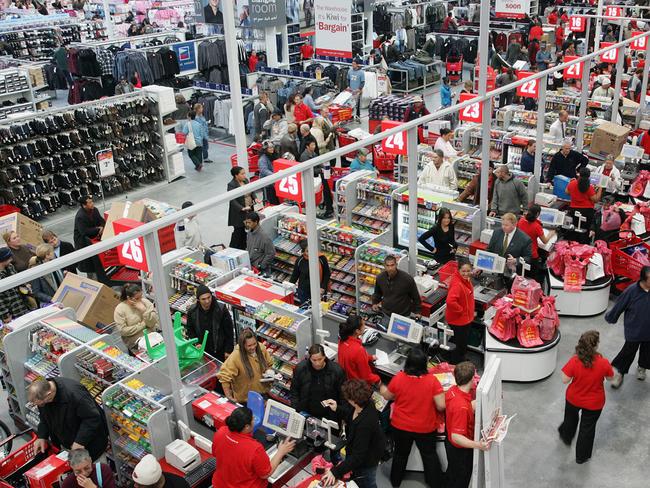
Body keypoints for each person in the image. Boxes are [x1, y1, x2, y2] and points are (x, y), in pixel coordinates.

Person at [379, 348, 445, 488]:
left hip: (400, 426)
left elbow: (387, 396)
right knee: (429, 455)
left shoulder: (399, 378)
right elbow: (441, 406)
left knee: (400, 455)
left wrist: (381, 387)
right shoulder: (432, 381)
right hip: (425, 427)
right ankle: (435, 483)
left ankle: (395, 482)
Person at [558, 330, 614, 464]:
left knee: (570, 419)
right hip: (594, 403)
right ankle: (581, 457)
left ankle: (566, 436)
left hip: (574, 398)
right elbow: (610, 378)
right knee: (587, 429)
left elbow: (565, 380)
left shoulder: (575, 360)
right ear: (596, 346)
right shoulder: (604, 363)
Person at [320, 379, 386, 488]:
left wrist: (335, 472)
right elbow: (351, 416)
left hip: (367, 460)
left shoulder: (365, 424)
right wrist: (337, 408)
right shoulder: (364, 404)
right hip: (361, 452)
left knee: (367, 483)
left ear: (354, 400)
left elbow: (358, 456)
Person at [212, 407, 295, 488]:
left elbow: (216, 454)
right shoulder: (254, 448)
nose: (254, 419)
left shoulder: (221, 431)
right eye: (252, 418)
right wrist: (281, 452)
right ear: (247, 426)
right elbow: (265, 474)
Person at [28, 378, 108, 461]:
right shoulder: (44, 395)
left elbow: (92, 418)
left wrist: (80, 441)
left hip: (91, 443)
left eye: (42, 404)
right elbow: (44, 416)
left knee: (95, 470)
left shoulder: (75, 394)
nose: (41, 406)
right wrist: (42, 436)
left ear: (49, 394)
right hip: (68, 441)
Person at [604, 265, 650, 387]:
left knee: (647, 351)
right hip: (634, 329)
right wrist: (611, 317)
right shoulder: (631, 291)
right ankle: (620, 373)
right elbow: (620, 305)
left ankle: (642, 367)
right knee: (628, 352)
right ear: (644, 279)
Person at [445, 361, 488, 488]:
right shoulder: (461, 407)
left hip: (450, 444)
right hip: (460, 450)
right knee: (461, 479)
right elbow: (457, 437)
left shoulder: (453, 390)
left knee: (452, 473)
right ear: (471, 379)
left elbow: (466, 406)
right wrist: (478, 445)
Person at [290, 344, 346, 421]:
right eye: (314, 360)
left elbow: (343, 395)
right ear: (309, 358)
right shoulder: (301, 369)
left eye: (320, 359)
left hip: (329, 415)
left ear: (324, 357)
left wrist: (341, 412)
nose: (317, 363)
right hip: (306, 413)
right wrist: (295, 410)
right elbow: (294, 390)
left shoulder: (336, 371)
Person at [217, 328, 273, 403]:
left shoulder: (261, 348)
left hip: (263, 394)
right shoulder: (236, 356)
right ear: (242, 345)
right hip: (246, 400)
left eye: (254, 344)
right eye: (249, 346)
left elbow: (269, 364)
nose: (253, 347)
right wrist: (229, 396)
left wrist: (269, 375)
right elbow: (224, 376)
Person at [185, 285, 234, 362]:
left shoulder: (221, 309)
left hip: (220, 351)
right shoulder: (192, 311)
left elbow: (229, 331)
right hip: (202, 351)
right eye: (203, 299)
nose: (207, 301)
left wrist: (228, 350)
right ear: (198, 300)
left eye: (209, 297)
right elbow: (190, 329)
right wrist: (196, 343)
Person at [114, 284, 159, 354]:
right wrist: (143, 324)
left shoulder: (146, 303)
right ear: (129, 298)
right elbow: (123, 331)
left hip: (152, 338)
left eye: (141, 296)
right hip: (134, 343)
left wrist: (144, 311)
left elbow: (152, 323)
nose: (140, 300)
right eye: (137, 298)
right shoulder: (120, 310)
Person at [446, 261, 476, 364]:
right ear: (458, 270)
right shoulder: (457, 284)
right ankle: (457, 364)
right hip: (459, 320)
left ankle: (460, 359)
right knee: (460, 344)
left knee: (460, 342)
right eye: (463, 271)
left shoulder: (464, 279)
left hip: (464, 318)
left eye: (468, 271)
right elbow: (450, 301)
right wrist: (461, 310)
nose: (466, 273)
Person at [337, 315, 380, 385]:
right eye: (363, 325)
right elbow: (367, 377)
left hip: (346, 383)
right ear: (357, 331)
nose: (365, 327)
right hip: (357, 388)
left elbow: (353, 357)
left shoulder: (342, 340)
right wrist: (378, 380)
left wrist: (370, 357)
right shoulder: (358, 350)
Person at [518, 204, 555, 282]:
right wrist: (551, 234)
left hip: (521, 253)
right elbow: (545, 241)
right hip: (532, 256)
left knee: (521, 276)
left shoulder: (521, 221)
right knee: (532, 279)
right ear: (538, 214)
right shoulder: (536, 226)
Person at [73, 195, 105, 280]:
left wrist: (101, 226)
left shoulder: (94, 210)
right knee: (90, 265)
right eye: (90, 202)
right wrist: (98, 229)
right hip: (83, 242)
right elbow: (84, 231)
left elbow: (101, 220)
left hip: (93, 239)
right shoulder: (80, 216)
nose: (92, 204)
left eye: (92, 201)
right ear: (84, 205)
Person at [289, 239, 330, 304]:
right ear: (303, 252)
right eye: (307, 251)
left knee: (319, 310)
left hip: (318, 290)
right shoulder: (300, 260)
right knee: (305, 308)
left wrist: (322, 287)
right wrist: (289, 286)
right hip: (303, 291)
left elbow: (327, 274)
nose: (310, 252)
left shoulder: (321, 258)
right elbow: (295, 275)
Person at [228, 166, 258, 250]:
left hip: (249, 209)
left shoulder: (246, 181)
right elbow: (232, 200)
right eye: (242, 174)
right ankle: (234, 248)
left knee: (248, 229)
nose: (244, 175)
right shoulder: (231, 185)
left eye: (244, 173)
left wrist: (255, 197)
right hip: (239, 213)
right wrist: (242, 208)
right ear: (236, 175)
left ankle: (244, 246)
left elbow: (252, 191)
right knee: (239, 231)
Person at [567, 167, 602, 238]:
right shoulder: (589, 187)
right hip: (587, 212)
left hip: (573, 210)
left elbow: (567, 192)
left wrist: (570, 183)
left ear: (579, 174)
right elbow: (595, 199)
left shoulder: (572, 183)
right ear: (589, 176)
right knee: (585, 232)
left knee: (574, 229)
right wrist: (600, 189)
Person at [0, 247, 31, 321]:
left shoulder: (10, 267)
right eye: (9, 257)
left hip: (22, 305)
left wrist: (26, 288)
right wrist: (5, 315)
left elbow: (18, 282)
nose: (11, 259)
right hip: (11, 312)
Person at [258, 140, 279, 205]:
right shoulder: (262, 159)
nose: (272, 149)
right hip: (267, 184)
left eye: (272, 147)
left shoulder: (272, 155)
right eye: (270, 148)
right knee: (268, 200)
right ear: (265, 149)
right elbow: (264, 170)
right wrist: (274, 175)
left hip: (273, 182)